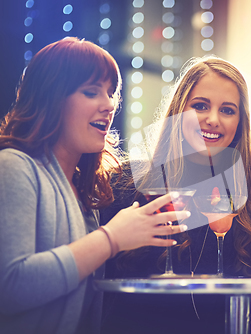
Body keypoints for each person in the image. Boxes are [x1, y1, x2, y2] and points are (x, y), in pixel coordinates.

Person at [0, 37, 189, 334]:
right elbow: (9, 288)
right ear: (50, 99)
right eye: (91, 92)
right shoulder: (14, 167)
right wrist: (111, 239)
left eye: (111, 94)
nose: (110, 104)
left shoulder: (84, 192)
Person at [100, 56, 251, 334]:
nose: (213, 119)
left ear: (240, 122)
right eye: (200, 106)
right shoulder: (127, 183)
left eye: (227, 110)